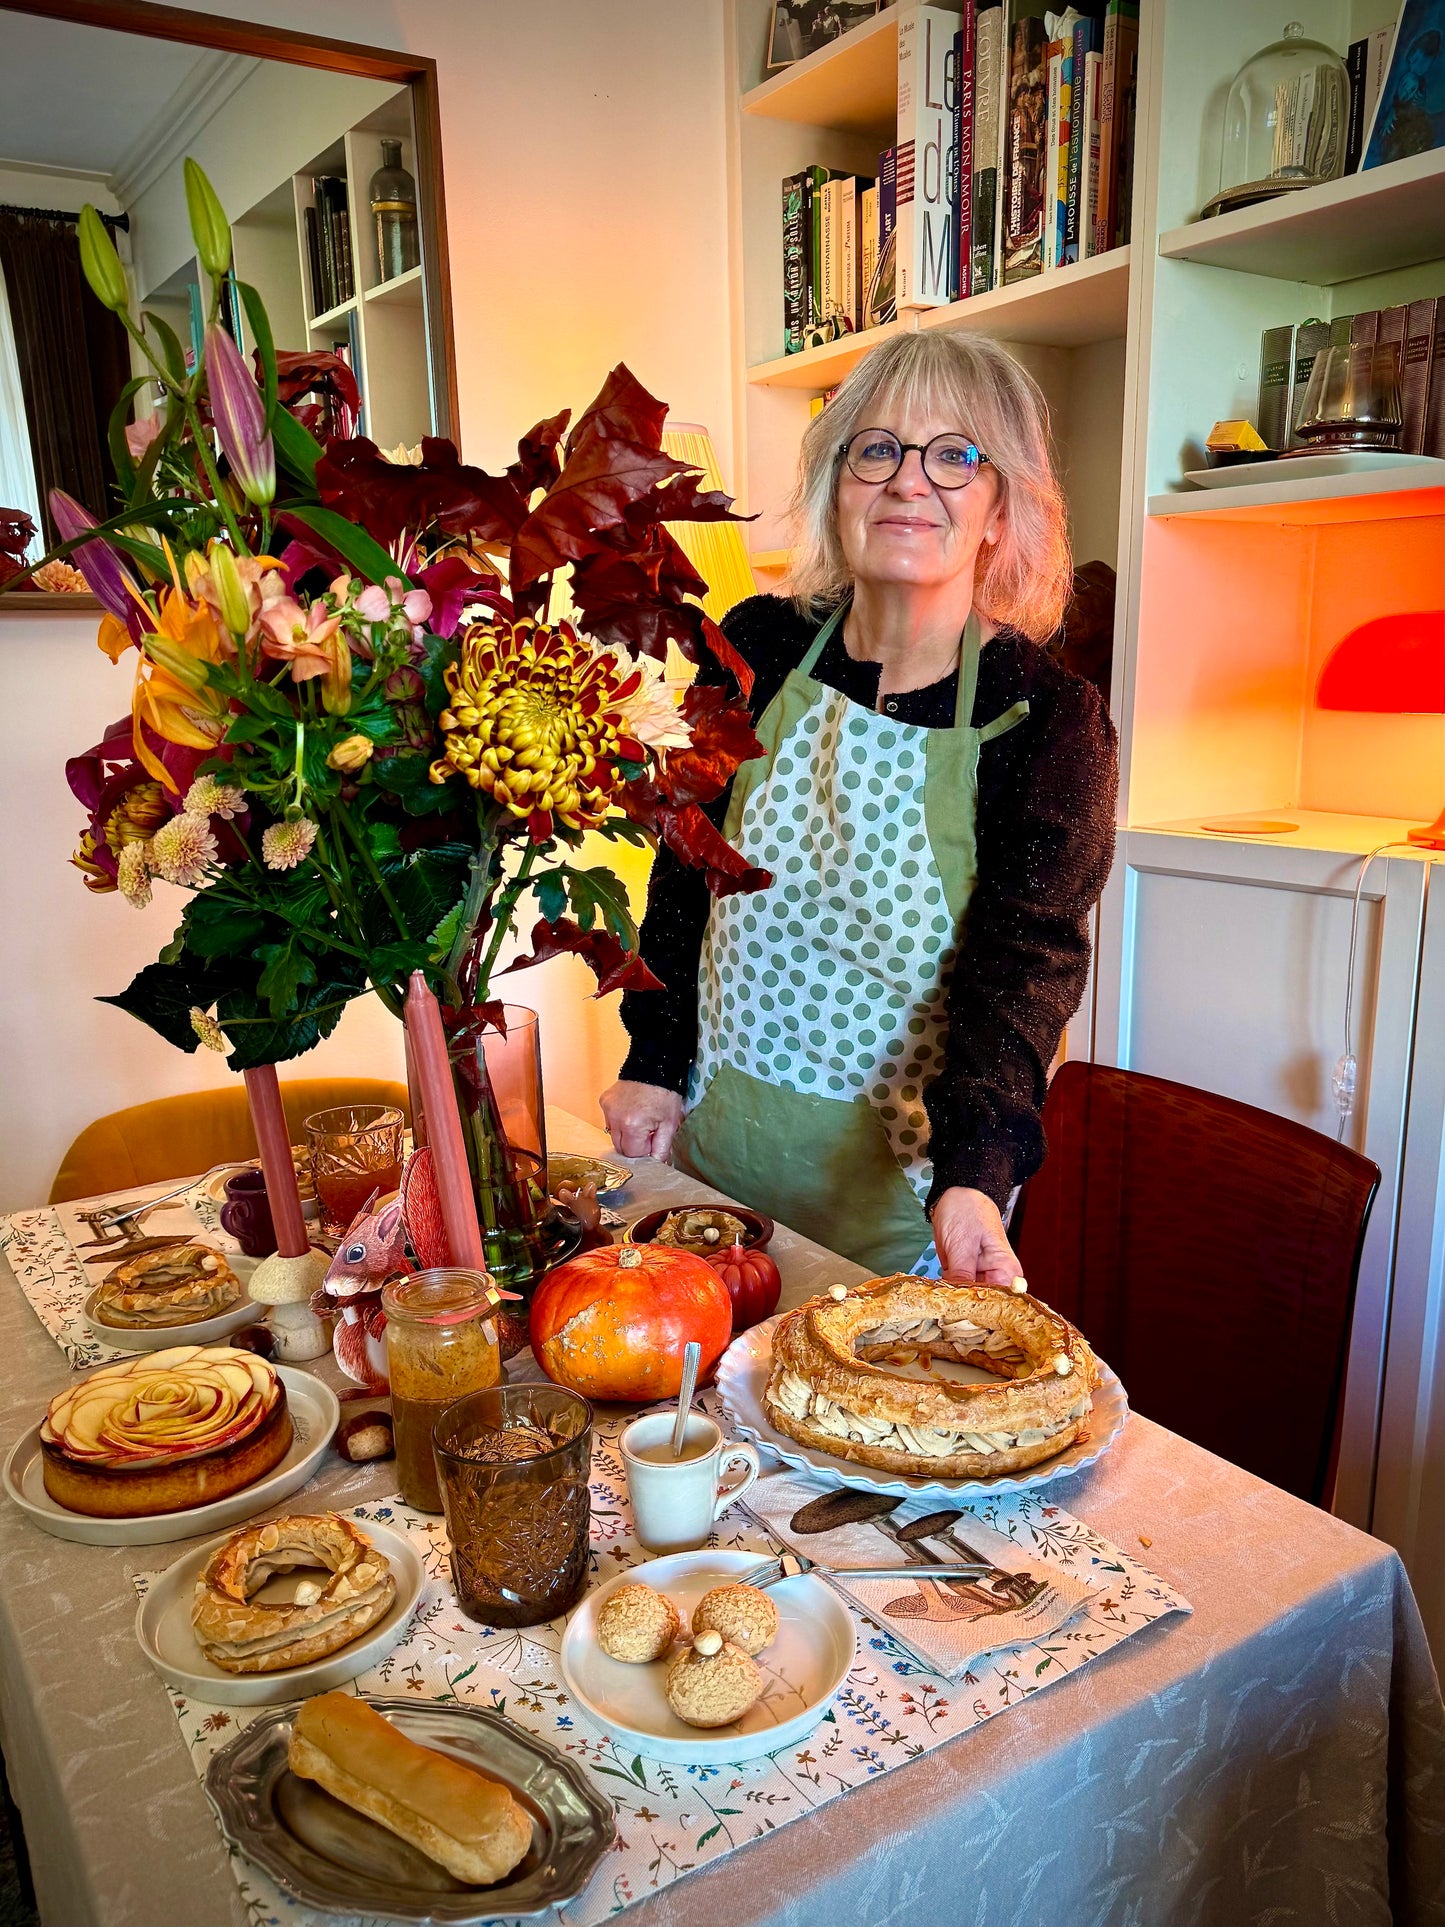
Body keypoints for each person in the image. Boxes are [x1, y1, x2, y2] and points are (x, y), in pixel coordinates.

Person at [602, 330, 1117, 1284]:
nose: (908, 483)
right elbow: (682, 872)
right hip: (715, 1162)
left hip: (906, 1204)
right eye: (874, 449)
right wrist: (653, 1057)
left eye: (955, 456)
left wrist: (974, 1177)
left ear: (1000, 510)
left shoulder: (1045, 719)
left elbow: (1023, 974)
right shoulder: (755, 644)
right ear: (837, 486)